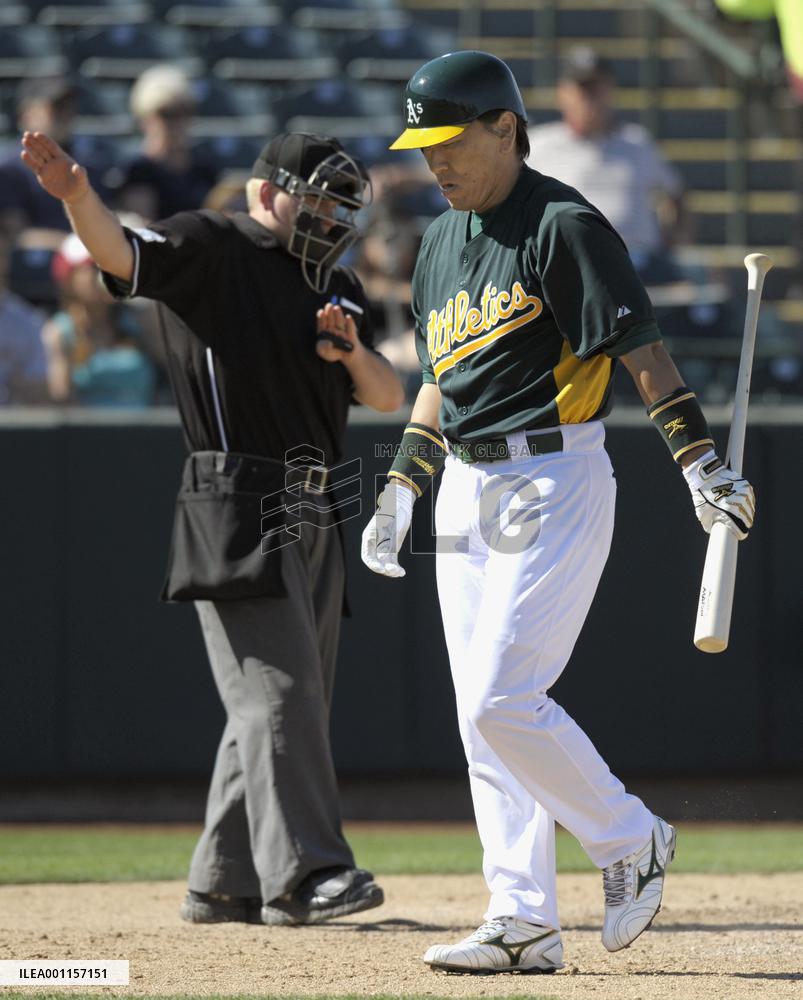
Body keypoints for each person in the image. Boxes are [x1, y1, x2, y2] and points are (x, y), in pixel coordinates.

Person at [360, 50, 756, 974]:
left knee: (504, 694)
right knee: (477, 714)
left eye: (450, 140)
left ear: (505, 125)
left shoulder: (565, 225)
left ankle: (628, 837)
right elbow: (437, 383)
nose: (436, 162)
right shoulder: (438, 243)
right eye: (423, 146)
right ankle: (522, 918)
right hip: (466, 480)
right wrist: (399, 488)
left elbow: (642, 357)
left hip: (552, 474)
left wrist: (700, 467)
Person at [20, 128, 404, 925]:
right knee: (280, 695)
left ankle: (223, 878)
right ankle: (306, 876)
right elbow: (121, 254)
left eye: (342, 203)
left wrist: (347, 352)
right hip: (237, 490)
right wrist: (76, 196)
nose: (330, 217)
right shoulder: (213, 241)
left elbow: (386, 396)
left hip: (316, 501)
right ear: (267, 191)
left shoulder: (332, 281)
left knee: (286, 702)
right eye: (318, 198)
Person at [526, 48, 687, 286]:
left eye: (597, 88)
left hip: (638, 265)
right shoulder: (538, 146)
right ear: (562, 93)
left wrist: (671, 245)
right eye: (582, 89)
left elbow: (677, 197)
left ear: (610, 90)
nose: (590, 98)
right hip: (567, 264)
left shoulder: (637, 143)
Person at [41, 233, 156, 407]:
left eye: (108, 266)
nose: (104, 274)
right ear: (70, 278)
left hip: (145, 431)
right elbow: (61, 397)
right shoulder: (59, 333)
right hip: (88, 433)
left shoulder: (138, 321)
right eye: (94, 267)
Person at [115, 64, 220, 222]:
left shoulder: (204, 170)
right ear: (145, 119)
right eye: (167, 114)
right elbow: (144, 230)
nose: (178, 122)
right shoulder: (139, 171)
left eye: (185, 111)